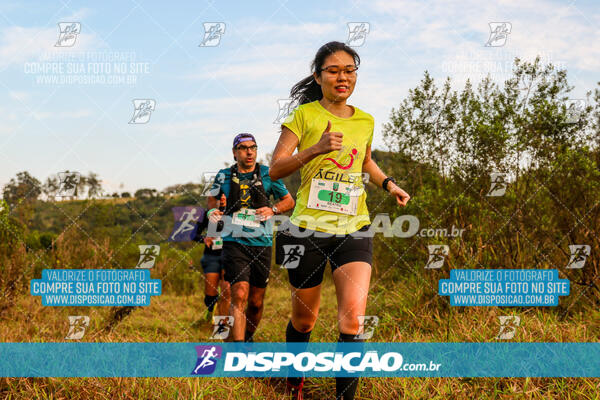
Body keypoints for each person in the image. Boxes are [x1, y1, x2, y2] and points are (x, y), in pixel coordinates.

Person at [269, 41, 410, 400]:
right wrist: (315, 148)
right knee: (305, 320)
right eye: (333, 70)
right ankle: (294, 385)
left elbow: (364, 161)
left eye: (349, 70)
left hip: (354, 227)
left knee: (352, 320)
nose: (342, 77)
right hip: (305, 231)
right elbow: (275, 168)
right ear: (318, 77)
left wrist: (388, 183)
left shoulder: (365, 120)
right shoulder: (304, 117)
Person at [208, 133, 295, 342]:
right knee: (238, 295)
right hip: (234, 241)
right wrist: (214, 212)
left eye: (253, 147)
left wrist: (273, 209)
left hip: (262, 243)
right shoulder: (222, 176)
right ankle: (238, 350)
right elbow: (211, 200)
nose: (249, 152)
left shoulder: (269, 174)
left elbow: (289, 201)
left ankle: (247, 338)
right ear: (234, 152)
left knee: (256, 302)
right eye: (243, 148)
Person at [194, 194, 230, 322]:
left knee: (227, 292)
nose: (223, 198)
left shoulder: (234, 212)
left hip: (230, 256)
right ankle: (210, 309)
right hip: (211, 256)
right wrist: (204, 239)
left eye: (225, 195)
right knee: (211, 294)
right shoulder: (206, 214)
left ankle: (223, 326)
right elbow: (194, 234)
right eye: (220, 197)